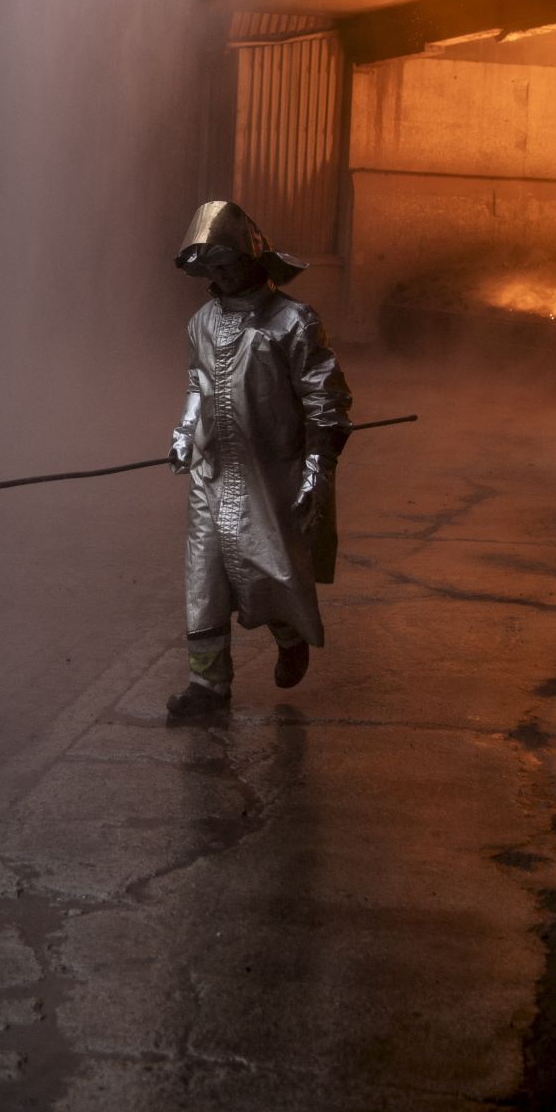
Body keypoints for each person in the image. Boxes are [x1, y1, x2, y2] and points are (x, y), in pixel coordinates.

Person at [165, 200, 353, 723]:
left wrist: (316, 470)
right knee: (204, 577)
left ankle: (288, 634)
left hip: (271, 475)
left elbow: (327, 402)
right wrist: (183, 433)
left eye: (228, 264)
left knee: (268, 572)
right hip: (212, 473)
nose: (219, 276)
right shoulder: (201, 322)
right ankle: (207, 686)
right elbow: (198, 385)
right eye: (211, 268)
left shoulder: (293, 322)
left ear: (253, 259)